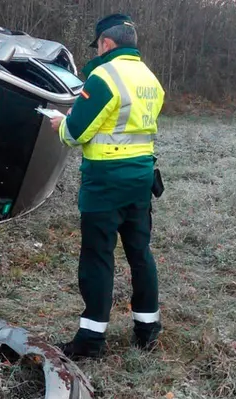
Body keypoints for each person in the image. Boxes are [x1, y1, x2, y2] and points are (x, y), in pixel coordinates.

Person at [50, 13, 165, 359]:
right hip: (142, 179)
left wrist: (60, 123)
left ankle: (91, 340)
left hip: (105, 181)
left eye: (98, 45)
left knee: (98, 257)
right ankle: (147, 331)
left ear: (107, 44)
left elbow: (75, 133)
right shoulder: (150, 79)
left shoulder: (104, 76)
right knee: (140, 254)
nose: (97, 52)